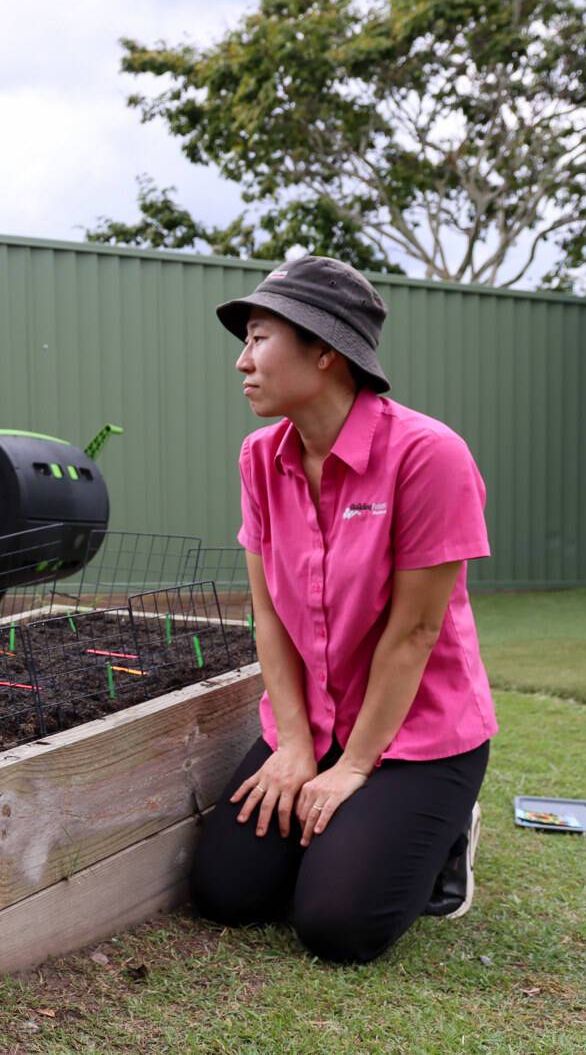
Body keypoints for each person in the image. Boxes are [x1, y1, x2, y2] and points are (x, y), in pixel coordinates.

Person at [189, 256, 495, 963]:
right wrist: (295, 744)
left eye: (260, 339)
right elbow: (268, 615)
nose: (243, 362)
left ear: (324, 351)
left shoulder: (428, 455)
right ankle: (356, 829)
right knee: (228, 894)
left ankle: (446, 828)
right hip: (316, 721)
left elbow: (416, 632)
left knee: (336, 929)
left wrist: (355, 766)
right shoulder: (260, 457)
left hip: (418, 731)